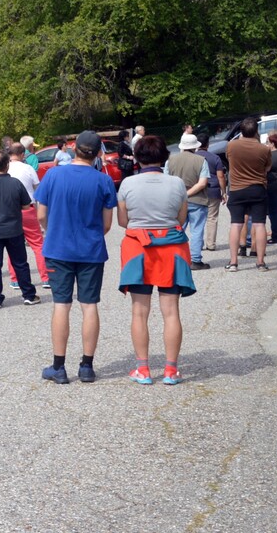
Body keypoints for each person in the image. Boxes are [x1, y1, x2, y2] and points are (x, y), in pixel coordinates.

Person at [35, 130, 117, 384]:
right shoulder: (103, 181)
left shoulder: (54, 175)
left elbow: (40, 215)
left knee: (62, 304)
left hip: (58, 248)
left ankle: (58, 366)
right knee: (89, 305)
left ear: (74, 149)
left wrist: (54, 230)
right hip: (90, 249)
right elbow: (106, 225)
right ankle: (86, 366)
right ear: (97, 154)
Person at [115, 135, 194, 386]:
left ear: (137, 157)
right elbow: (181, 218)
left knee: (140, 312)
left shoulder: (127, 184)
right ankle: (171, 371)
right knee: (171, 312)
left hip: (138, 248)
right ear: (165, 157)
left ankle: (143, 369)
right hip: (172, 249)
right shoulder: (177, 184)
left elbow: (122, 221)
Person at [0, 152, 41, 308]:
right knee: (20, 263)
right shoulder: (15, 183)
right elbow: (26, 205)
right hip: (13, 229)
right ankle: (28, 294)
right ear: (7, 165)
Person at [225, 117, 271, 272]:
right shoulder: (264, 149)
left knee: (236, 224)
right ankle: (260, 262)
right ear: (257, 131)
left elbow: (228, 160)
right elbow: (267, 168)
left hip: (237, 189)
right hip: (258, 188)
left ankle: (233, 262)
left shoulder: (231, 146)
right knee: (259, 224)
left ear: (241, 131)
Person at [164, 133, 211, 270]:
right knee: (197, 230)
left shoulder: (170, 160)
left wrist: (180, 195)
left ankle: (175, 258)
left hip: (176, 201)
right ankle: (195, 260)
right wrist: (187, 194)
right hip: (198, 200)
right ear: (196, 147)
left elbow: (167, 181)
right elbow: (202, 183)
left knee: (177, 229)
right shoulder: (201, 160)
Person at [7, 143, 49, 288]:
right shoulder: (28, 168)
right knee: (38, 244)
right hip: (28, 208)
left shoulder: (4, 168)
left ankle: (15, 279)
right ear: (22, 155)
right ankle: (45, 277)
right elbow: (38, 190)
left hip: (9, 210)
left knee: (13, 246)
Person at [195, 133, 226, 254]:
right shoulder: (215, 157)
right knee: (212, 217)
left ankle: (198, 243)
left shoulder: (194, 157)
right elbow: (221, 176)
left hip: (198, 190)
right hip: (213, 189)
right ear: (208, 144)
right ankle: (211, 244)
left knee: (198, 218)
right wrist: (223, 192)